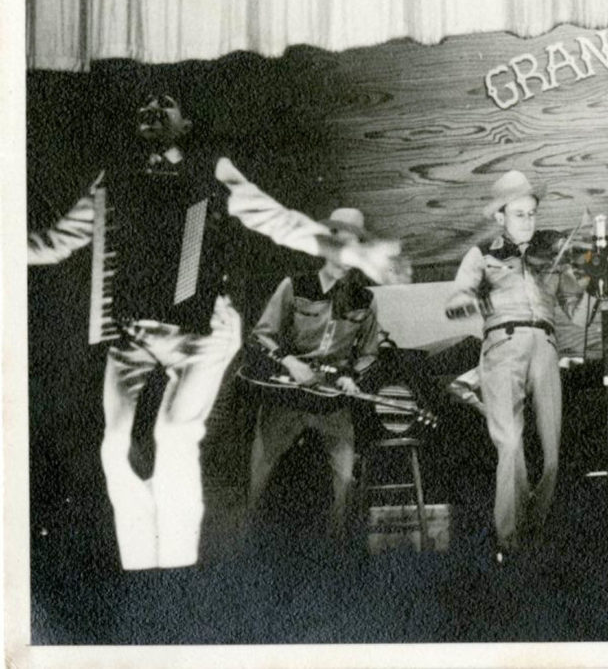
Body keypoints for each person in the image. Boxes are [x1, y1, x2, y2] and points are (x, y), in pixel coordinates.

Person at [27, 94, 403, 570]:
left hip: (203, 332)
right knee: (114, 447)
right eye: (144, 103)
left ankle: (178, 563)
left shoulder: (214, 170)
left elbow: (278, 221)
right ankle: (141, 563)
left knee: (174, 434)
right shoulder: (112, 179)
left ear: (186, 123)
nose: (152, 109)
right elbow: (56, 242)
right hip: (133, 332)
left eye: (166, 103)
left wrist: (346, 252)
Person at [444, 170, 608, 560]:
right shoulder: (482, 253)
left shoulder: (551, 256)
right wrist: (466, 302)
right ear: (500, 216)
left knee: (551, 455)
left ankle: (534, 532)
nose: (529, 221)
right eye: (519, 214)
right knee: (510, 443)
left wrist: (600, 273)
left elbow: (579, 315)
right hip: (503, 345)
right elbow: (457, 297)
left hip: (546, 346)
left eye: (532, 213)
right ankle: (509, 541)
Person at [246, 208, 381, 542]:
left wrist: (352, 377)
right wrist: (291, 362)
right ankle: (249, 543)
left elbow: (368, 353)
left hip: (331, 402)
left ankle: (337, 549)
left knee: (345, 478)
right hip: (286, 395)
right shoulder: (295, 286)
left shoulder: (366, 300)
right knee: (260, 473)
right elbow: (261, 336)